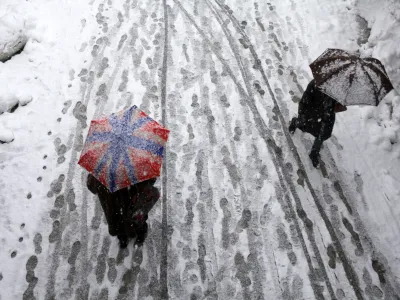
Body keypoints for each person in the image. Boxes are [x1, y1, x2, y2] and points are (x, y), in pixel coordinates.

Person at [87, 174, 160, 248]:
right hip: (131, 205)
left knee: (118, 224)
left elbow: (91, 186)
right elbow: (148, 183)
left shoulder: (100, 172)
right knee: (137, 222)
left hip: (112, 208)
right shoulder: (132, 170)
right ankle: (140, 237)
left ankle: (123, 240)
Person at [289, 79, 347, 167]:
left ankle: (314, 153)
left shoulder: (339, 89)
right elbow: (304, 101)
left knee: (323, 134)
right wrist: (302, 115)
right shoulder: (316, 84)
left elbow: (338, 104)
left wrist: (338, 107)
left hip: (328, 114)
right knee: (305, 125)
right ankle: (295, 122)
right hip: (312, 111)